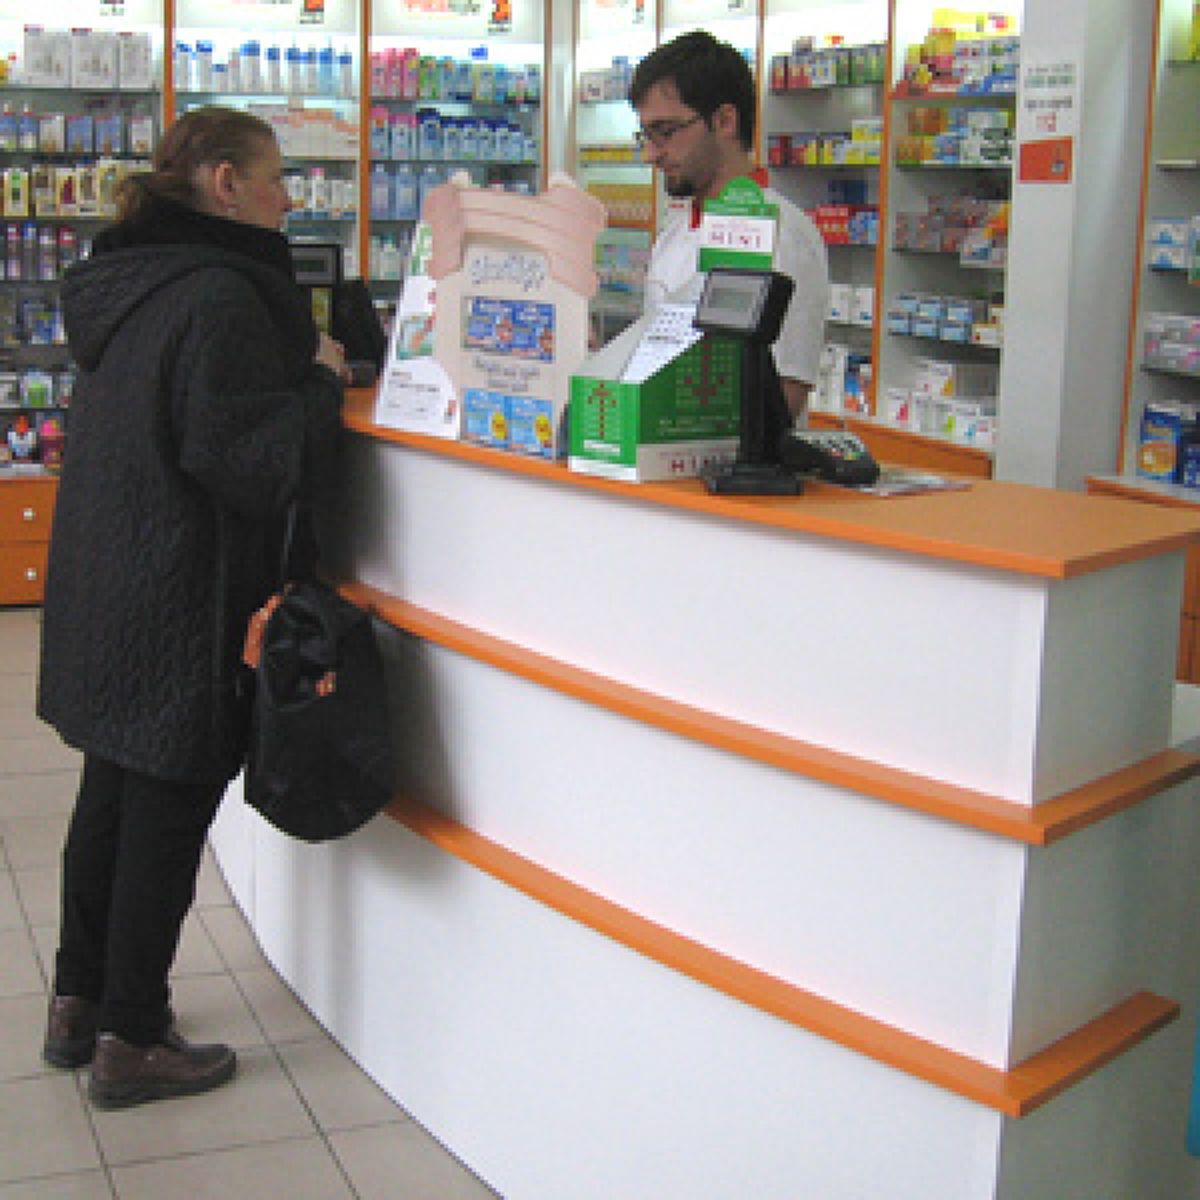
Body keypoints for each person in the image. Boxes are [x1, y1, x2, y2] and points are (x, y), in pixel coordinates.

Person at [36, 106, 347, 1109]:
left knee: (111, 795)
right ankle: (133, 1035)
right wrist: (320, 384)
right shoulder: (220, 293)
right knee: (167, 807)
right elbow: (247, 457)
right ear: (225, 184)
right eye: (275, 178)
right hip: (181, 590)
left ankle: (78, 1002)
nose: (287, 199)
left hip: (110, 580)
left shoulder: (135, 278)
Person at [629, 30, 829, 422]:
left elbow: (784, 394)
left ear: (724, 121)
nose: (651, 154)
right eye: (646, 135)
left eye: (665, 132)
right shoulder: (674, 233)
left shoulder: (784, 234)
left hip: (728, 458)